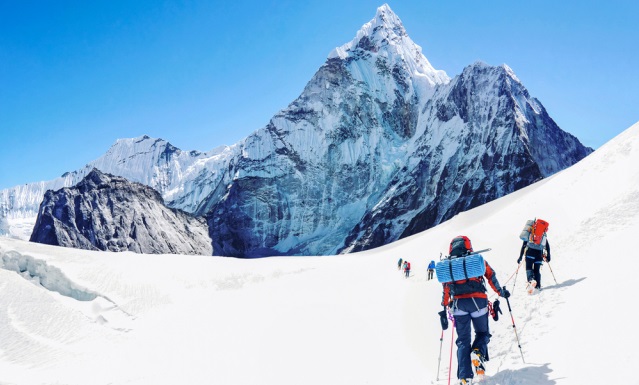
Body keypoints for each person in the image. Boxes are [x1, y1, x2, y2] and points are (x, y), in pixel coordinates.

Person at [439, 236, 510, 385]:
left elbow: (446, 288)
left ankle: (465, 378)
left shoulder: (449, 266)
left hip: (458, 305)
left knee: (463, 341)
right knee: (483, 333)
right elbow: (490, 275)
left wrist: (444, 305)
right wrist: (500, 292)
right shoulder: (476, 260)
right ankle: (477, 352)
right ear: (468, 246)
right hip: (478, 302)